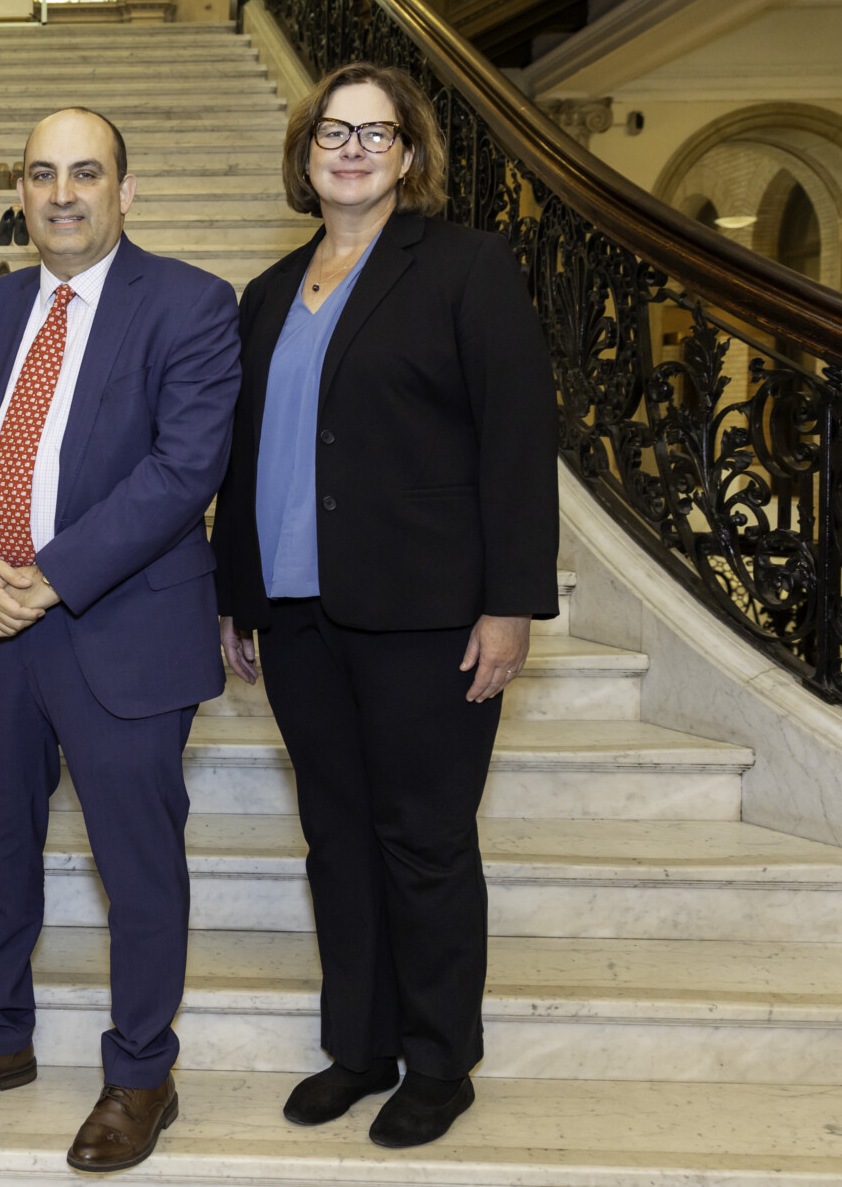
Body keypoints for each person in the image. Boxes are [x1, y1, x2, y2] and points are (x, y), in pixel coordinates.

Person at [212, 62, 558, 1149]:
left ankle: (438, 1058)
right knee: (336, 838)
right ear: (303, 153)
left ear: (409, 155)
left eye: (376, 131)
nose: (351, 147)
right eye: (331, 130)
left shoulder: (463, 266)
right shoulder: (265, 292)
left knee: (422, 840)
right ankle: (355, 1047)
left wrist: (508, 604)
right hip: (298, 612)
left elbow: (514, 441)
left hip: (424, 612)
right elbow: (246, 451)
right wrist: (237, 592)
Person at [0, 108, 241, 1173]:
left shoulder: (188, 302)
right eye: (41, 174)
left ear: (123, 190)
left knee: (135, 866)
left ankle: (141, 1071)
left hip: (119, 626)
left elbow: (182, 470)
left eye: (84, 173)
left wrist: (50, 575)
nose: (60, 193)